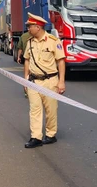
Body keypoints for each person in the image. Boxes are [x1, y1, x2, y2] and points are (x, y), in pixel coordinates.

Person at [22, 13, 66, 149]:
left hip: (50, 81)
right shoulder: (29, 42)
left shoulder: (53, 41)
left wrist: (61, 81)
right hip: (33, 81)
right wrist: (25, 78)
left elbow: (61, 61)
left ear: (38, 27)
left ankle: (51, 134)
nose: (28, 29)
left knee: (51, 110)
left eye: (30, 27)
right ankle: (36, 137)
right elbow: (27, 60)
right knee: (34, 109)